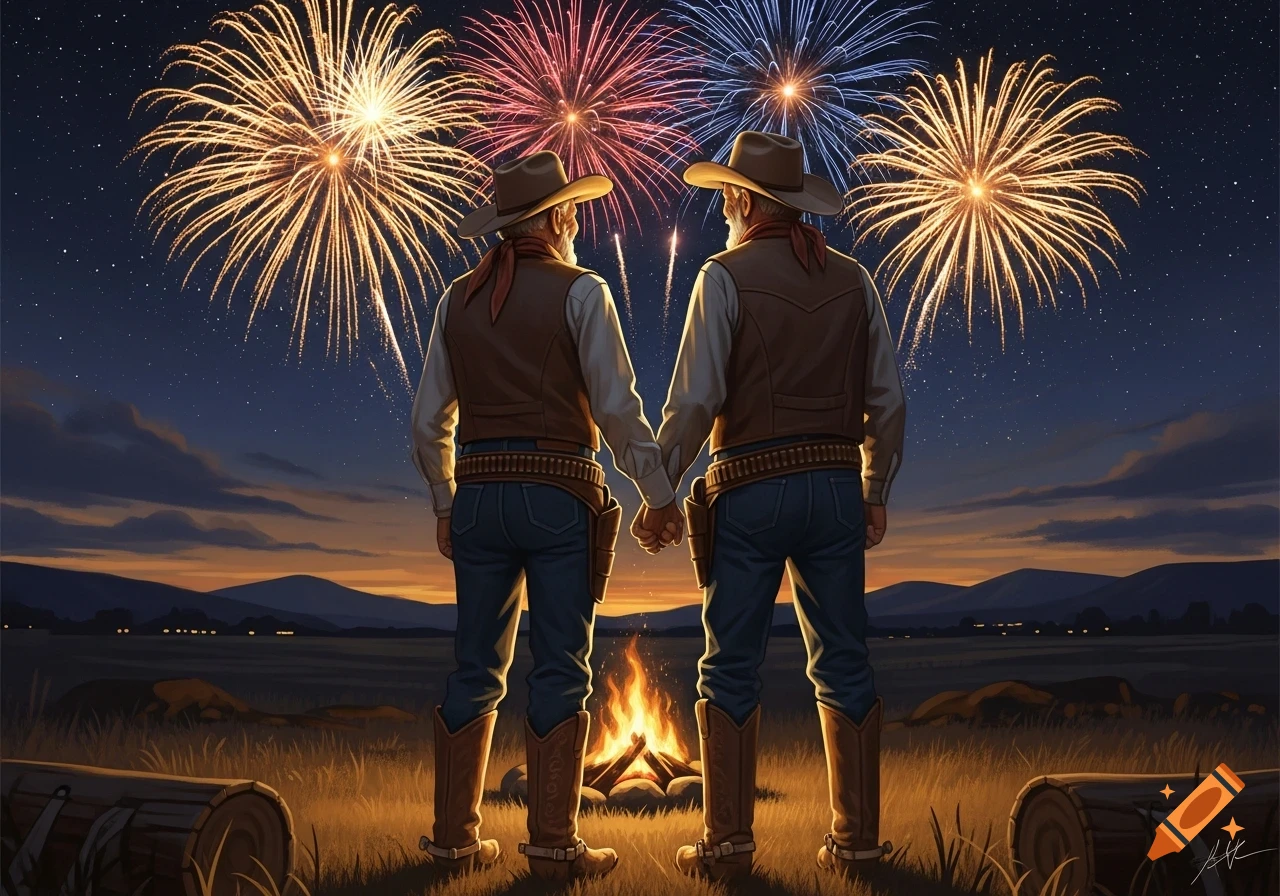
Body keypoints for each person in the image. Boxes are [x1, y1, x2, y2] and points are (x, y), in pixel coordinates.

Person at [636, 131, 906, 880]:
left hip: (749, 489)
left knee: (729, 668)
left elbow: (692, 403)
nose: (724, 203)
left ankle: (728, 845)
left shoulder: (723, 277)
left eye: (728, 193)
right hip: (833, 490)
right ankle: (856, 842)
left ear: (746, 201)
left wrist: (659, 496)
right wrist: (875, 489)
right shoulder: (855, 280)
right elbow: (887, 399)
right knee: (846, 663)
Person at [410, 150, 684, 882]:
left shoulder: (455, 300)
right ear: (558, 216)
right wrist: (658, 495)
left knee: (475, 666)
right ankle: (554, 845)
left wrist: (445, 501)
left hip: (478, 496)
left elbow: (427, 421)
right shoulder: (582, 291)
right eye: (571, 209)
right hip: (560, 495)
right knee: (561, 666)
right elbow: (619, 411)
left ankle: (452, 840)